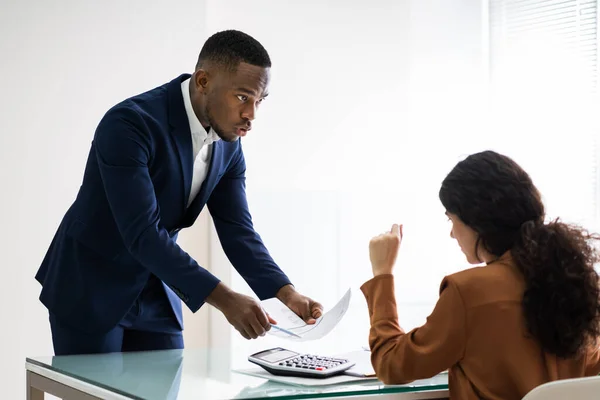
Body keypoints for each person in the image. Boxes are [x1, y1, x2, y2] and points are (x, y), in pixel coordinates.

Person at [35, 29, 323, 356]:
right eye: (243, 97)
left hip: (159, 287)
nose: (251, 115)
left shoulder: (229, 145)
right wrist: (226, 300)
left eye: (260, 101)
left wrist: (285, 293)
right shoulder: (128, 124)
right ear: (203, 82)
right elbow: (142, 233)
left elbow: (238, 230)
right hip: (91, 286)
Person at [361, 150, 600, 399]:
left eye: (450, 220)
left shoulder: (469, 292)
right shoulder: (578, 280)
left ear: (477, 221)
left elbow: (391, 365)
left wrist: (382, 274)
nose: (452, 234)